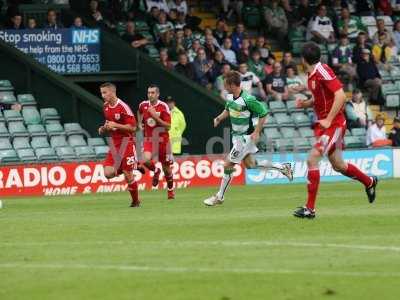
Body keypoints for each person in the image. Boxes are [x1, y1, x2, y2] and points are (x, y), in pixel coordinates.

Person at [293, 42, 378, 219]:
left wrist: (329, 119)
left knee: (312, 159)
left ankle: (310, 209)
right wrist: (305, 103)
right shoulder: (312, 74)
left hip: (335, 125)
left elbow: (340, 95)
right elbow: (319, 98)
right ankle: (369, 182)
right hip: (328, 125)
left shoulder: (323, 70)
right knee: (339, 166)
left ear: (303, 59)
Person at [203, 71, 293, 206]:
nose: (224, 86)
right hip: (237, 137)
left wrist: (257, 132)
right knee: (251, 165)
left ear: (233, 85)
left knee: (228, 164)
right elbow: (228, 109)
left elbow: (263, 113)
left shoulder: (248, 99)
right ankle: (283, 167)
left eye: (226, 84)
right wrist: (219, 118)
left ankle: (219, 196)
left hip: (246, 137)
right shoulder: (230, 97)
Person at [98, 83, 141, 207]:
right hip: (114, 145)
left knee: (128, 176)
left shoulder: (123, 107)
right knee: (108, 173)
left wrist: (116, 125)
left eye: (105, 92)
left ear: (112, 92)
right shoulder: (106, 107)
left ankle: (135, 201)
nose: (103, 95)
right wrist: (103, 128)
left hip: (127, 143)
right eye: (101, 93)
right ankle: (128, 167)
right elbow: (109, 124)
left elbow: (133, 127)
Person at [138, 85, 175, 199]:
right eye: (149, 92)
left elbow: (168, 126)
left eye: (153, 93)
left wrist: (156, 117)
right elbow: (139, 112)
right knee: (143, 159)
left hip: (163, 141)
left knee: (167, 170)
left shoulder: (163, 106)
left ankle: (170, 190)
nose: (150, 95)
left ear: (158, 94)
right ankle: (156, 170)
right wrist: (139, 123)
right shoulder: (143, 105)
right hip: (149, 139)